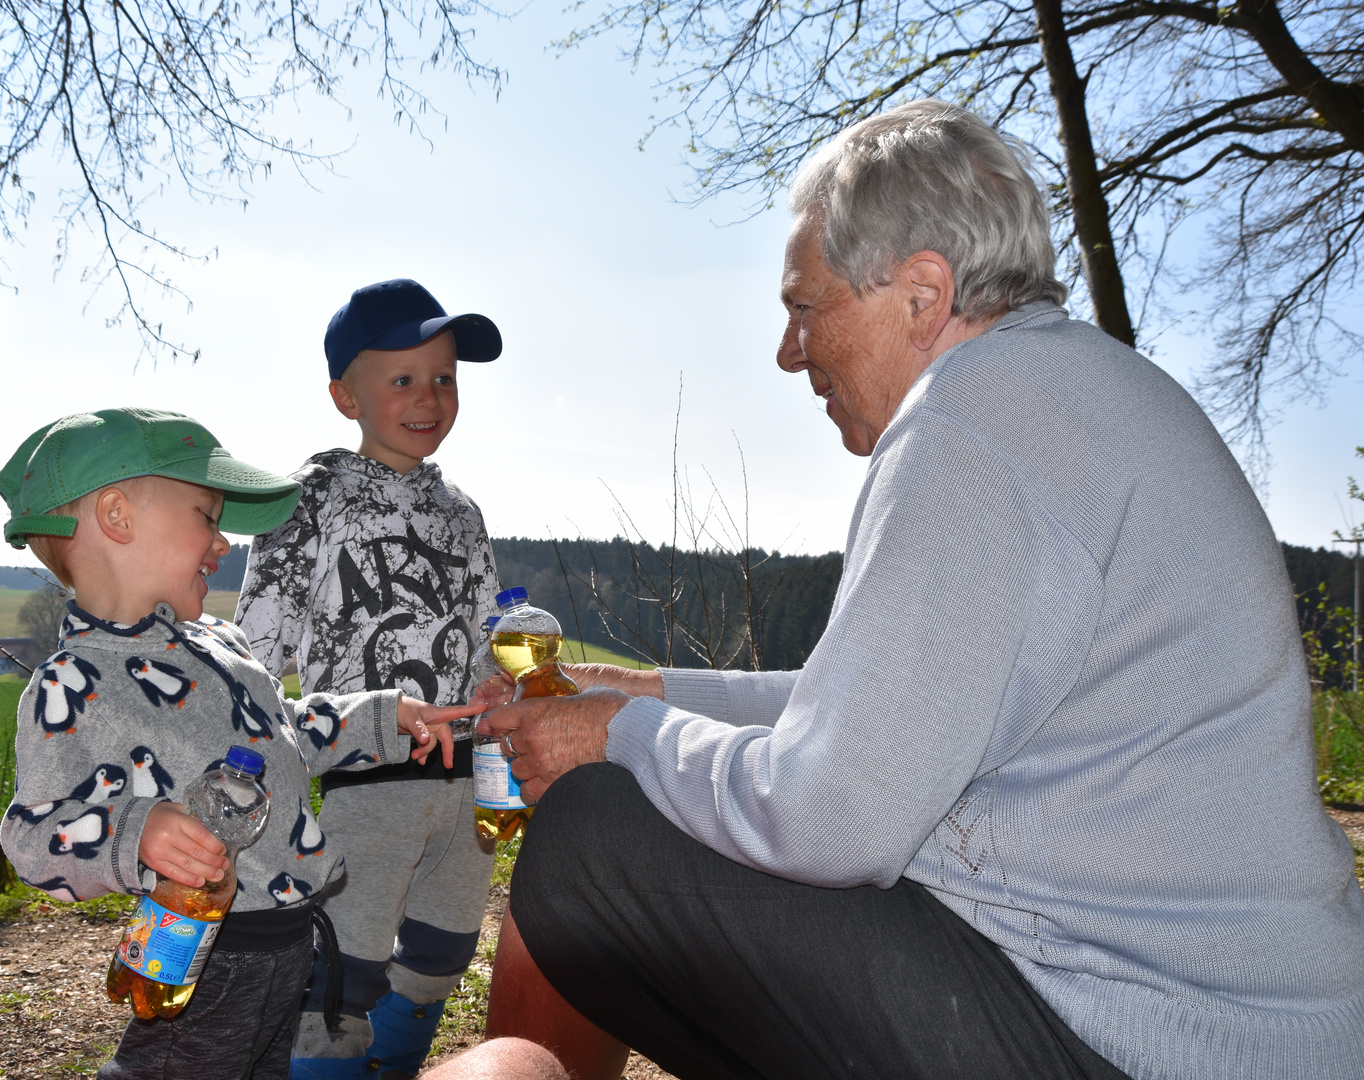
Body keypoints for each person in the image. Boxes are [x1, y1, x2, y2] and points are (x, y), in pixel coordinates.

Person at [478, 100, 1364, 1079]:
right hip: (1257, 1023)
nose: (788, 349)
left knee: (592, 834)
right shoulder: (1075, 393)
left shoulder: (969, 424)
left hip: (1143, 1036)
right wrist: (640, 692)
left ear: (922, 293)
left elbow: (830, 812)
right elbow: (867, 719)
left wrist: (610, 738)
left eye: (806, 307)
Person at [0, 407, 479, 1080]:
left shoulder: (220, 644)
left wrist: (382, 718)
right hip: (199, 952)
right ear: (117, 515)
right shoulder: (75, 682)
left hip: (291, 943)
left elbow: (286, 732)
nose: (223, 543)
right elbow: (31, 836)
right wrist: (135, 832)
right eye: (206, 515)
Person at [236, 279, 504, 1079]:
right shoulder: (308, 499)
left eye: (445, 378)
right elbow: (256, 651)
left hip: (462, 780)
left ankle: (391, 1065)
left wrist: (498, 681)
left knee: (443, 953)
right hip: (366, 775)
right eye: (403, 380)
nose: (429, 398)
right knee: (343, 976)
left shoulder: (462, 511)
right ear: (344, 395)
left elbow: (488, 631)